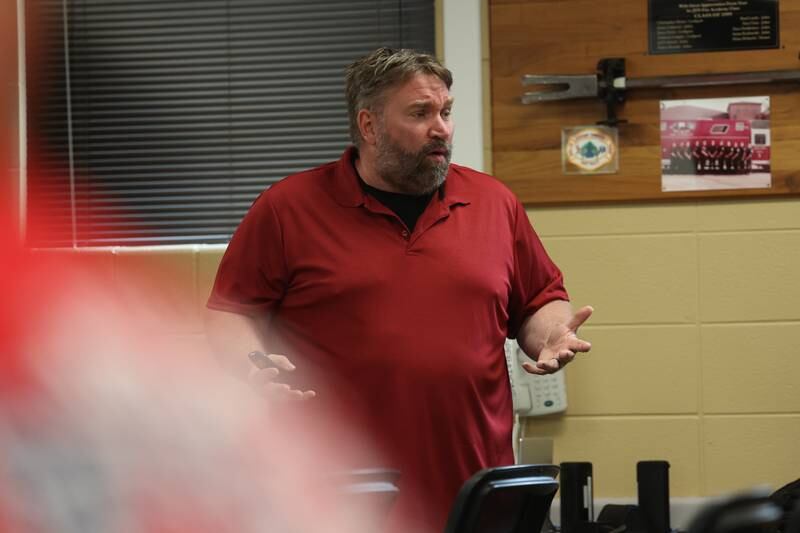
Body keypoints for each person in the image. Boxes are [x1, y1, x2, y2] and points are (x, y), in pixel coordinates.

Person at [205, 47, 593, 533]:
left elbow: (539, 299)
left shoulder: (495, 203)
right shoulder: (287, 209)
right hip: (335, 499)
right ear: (369, 126)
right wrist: (251, 370)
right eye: (420, 113)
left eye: (446, 112)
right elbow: (231, 313)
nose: (442, 129)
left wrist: (553, 333)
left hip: (473, 497)